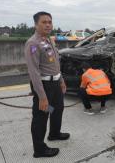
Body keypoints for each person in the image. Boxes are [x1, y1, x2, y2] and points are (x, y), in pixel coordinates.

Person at [24, 11, 70, 158]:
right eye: (44, 22)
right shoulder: (33, 43)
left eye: (50, 22)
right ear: (36, 24)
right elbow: (34, 72)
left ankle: (54, 133)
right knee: (41, 116)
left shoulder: (48, 40)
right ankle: (39, 149)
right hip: (44, 86)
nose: (48, 24)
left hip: (55, 84)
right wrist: (42, 97)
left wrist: (61, 81)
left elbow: (55, 63)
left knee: (57, 109)